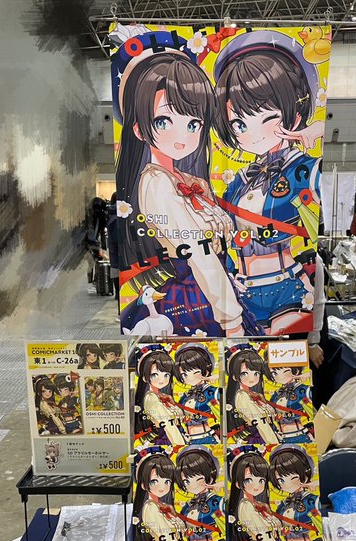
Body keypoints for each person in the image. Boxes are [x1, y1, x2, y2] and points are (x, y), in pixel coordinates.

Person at [114, 30, 251, 337]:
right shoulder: (156, 184)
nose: (182, 137)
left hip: (215, 291)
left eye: (193, 123)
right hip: (194, 300)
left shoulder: (189, 181)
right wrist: (232, 320)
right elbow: (199, 254)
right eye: (163, 121)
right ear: (139, 129)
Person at [214, 30, 325, 335]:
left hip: (287, 287)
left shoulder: (305, 170)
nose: (251, 134)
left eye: (266, 117)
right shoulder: (238, 182)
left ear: (295, 114)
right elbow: (220, 237)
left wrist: (316, 130)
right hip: (240, 290)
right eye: (239, 124)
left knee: (281, 355)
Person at [227, 447, 289, 541]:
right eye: (249, 480)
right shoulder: (246, 507)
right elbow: (266, 538)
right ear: (238, 484)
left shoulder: (258, 504)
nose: (257, 485)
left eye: (261, 480)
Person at [133, 448, 190, 541]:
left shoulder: (161, 505)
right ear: (143, 484)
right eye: (154, 481)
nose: (162, 487)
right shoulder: (151, 508)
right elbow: (169, 539)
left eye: (167, 481)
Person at [269, 445, 324, 541]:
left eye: (292, 477)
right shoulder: (282, 505)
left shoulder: (312, 501)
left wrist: (315, 484)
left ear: (305, 474)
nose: (286, 483)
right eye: (280, 480)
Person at [175, 446, 225, 541]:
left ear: (210, 476)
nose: (191, 484)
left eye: (196, 477)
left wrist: (223, 485)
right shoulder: (186, 507)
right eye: (186, 480)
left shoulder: (216, 502)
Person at [226, 344, 280, 445]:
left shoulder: (253, 394)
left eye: (256, 373)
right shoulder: (242, 397)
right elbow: (261, 424)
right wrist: (274, 444)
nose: (252, 378)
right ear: (234, 376)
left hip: (268, 436)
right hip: (263, 439)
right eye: (244, 373)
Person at [134, 345, 186, 446]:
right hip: (169, 440)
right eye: (154, 375)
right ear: (144, 378)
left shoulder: (162, 396)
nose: (162, 380)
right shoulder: (151, 398)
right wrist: (180, 445)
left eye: (166, 375)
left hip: (174, 438)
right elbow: (169, 426)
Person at [174, 344, 220, 444]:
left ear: (206, 371)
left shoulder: (212, 392)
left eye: (195, 372)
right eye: (184, 374)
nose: (189, 378)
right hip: (188, 439)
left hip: (207, 438)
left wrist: (214, 377)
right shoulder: (185, 397)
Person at [106, 192, 120, 316]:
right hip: (120, 258)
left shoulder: (112, 216)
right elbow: (118, 240)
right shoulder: (118, 218)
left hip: (114, 257)